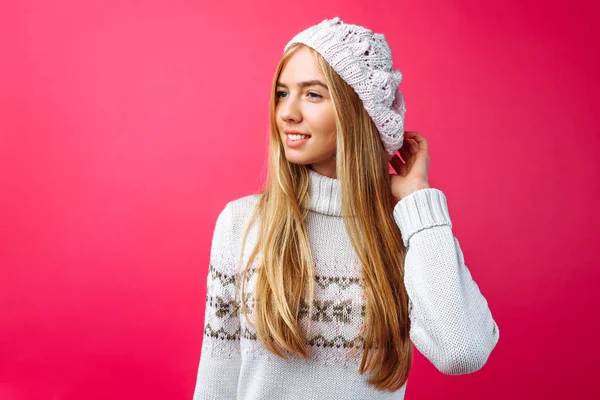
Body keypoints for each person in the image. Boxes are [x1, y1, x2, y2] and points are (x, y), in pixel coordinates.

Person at [192, 16, 500, 400]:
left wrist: (419, 202)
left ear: (359, 112)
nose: (288, 112)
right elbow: (217, 377)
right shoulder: (241, 223)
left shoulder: (407, 230)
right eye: (282, 93)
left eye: (314, 95)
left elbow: (463, 350)